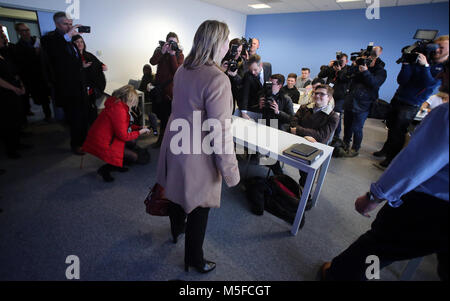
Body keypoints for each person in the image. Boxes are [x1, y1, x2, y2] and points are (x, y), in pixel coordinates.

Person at [320, 60, 449, 281]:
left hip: (430, 208)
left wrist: (375, 195)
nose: (439, 77)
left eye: (445, 71)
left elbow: (414, 164)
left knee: (377, 247)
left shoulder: (445, 115)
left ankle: (336, 276)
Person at [156, 20, 240, 274]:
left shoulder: (183, 69)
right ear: (217, 43)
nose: (229, 45)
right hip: (197, 150)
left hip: (175, 141)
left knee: (176, 190)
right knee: (200, 207)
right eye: (226, 40)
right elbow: (220, 131)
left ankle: (175, 231)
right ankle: (194, 259)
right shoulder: (217, 78)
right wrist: (231, 172)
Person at [374, 35, 449, 169]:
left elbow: (428, 84)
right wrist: (406, 63)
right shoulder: (419, 59)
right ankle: (386, 149)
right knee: (391, 126)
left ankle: (391, 160)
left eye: (441, 47)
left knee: (399, 131)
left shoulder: (442, 68)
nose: (437, 50)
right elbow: (402, 80)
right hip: (399, 97)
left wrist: (425, 66)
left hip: (411, 103)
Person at [40, 12, 89, 156]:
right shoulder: (50, 39)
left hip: (79, 85)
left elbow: (70, 61)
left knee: (83, 116)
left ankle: (84, 140)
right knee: (74, 118)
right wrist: (68, 36)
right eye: (65, 24)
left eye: (70, 23)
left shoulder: (70, 40)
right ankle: (76, 144)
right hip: (67, 88)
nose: (69, 26)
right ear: (56, 24)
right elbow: (55, 55)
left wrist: (81, 65)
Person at [82, 85, 151, 182]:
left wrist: (139, 128)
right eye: (133, 102)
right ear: (129, 99)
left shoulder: (116, 104)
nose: (134, 105)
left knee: (132, 142)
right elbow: (124, 136)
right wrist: (139, 132)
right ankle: (105, 169)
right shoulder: (120, 110)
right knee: (134, 156)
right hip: (104, 142)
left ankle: (117, 163)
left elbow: (124, 126)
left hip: (107, 138)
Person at [290, 84, 339, 212]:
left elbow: (322, 136)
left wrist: (299, 130)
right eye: (316, 93)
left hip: (314, 148)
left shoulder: (333, 116)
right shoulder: (305, 107)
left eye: (322, 94)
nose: (317, 96)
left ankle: (304, 195)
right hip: (296, 142)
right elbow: (293, 123)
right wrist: (307, 134)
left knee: (306, 175)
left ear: (329, 98)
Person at [341, 51, 387, 157]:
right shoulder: (358, 68)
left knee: (357, 128)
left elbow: (375, 83)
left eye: (369, 59)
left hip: (363, 104)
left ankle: (355, 148)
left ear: (375, 60)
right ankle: (345, 144)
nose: (366, 61)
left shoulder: (381, 71)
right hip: (351, 100)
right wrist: (355, 65)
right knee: (347, 126)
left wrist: (366, 72)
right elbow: (347, 76)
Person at [149, 32, 184, 148]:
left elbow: (177, 72)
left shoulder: (179, 55)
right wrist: (162, 52)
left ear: (178, 43)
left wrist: (172, 55)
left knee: (166, 117)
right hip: (159, 89)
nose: (172, 44)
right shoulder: (160, 51)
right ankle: (164, 138)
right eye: (170, 42)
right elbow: (152, 62)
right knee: (159, 113)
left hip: (170, 91)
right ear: (166, 42)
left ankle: (163, 140)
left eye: (174, 42)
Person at [14, 23, 52, 121]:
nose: (26, 32)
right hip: (30, 77)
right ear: (18, 32)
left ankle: (48, 116)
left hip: (43, 74)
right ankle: (28, 118)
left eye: (27, 30)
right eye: (23, 30)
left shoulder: (37, 40)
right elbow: (22, 64)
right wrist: (34, 53)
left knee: (45, 98)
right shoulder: (18, 47)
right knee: (33, 98)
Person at [0, 24, 26, 159]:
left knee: (16, 118)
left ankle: (17, 143)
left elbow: (14, 71)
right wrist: (14, 88)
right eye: (1, 36)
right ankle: (11, 149)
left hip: (14, 90)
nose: (4, 39)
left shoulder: (5, 53)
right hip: (5, 94)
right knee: (8, 122)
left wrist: (20, 84)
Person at [72, 34, 107, 124]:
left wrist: (103, 66)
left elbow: (98, 63)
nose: (79, 44)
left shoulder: (88, 55)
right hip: (78, 87)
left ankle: (92, 124)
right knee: (81, 108)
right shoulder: (71, 57)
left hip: (90, 87)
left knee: (91, 106)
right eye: (77, 42)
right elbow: (69, 71)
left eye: (81, 41)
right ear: (72, 44)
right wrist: (81, 67)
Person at [318, 53, 351, 140]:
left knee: (336, 116)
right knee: (325, 113)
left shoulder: (348, 69)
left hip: (340, 97)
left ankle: (336, 136)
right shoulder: (332, 68)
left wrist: (339, 71)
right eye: (338, 60)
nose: (339, 63)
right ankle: (324, 132)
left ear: (346, 61)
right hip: (328, 96)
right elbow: (321, 75)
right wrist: (328, 66)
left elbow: (345, 79)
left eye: (342, 61)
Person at [237, 54, 272, 121]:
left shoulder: (268, 66)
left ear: (261, 65)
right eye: (251, 70)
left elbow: (268, 83)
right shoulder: (248, 75)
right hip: (253, 105)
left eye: (255, 70)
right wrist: (243, 112)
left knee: (268, 125)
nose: (253, 72)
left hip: (265, 105)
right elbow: (245, 94)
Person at [138, 64, 159, 136]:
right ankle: (140, 125)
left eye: (146, 70)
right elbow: (140, 88)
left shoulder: (153, 77)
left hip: (150, 99)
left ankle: (155, 130)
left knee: (151, 115)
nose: (144, 71)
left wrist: (143, 92)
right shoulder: (144, 77)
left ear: (150, 70)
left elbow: (150, 90)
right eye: (144, 70)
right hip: (145, 96)